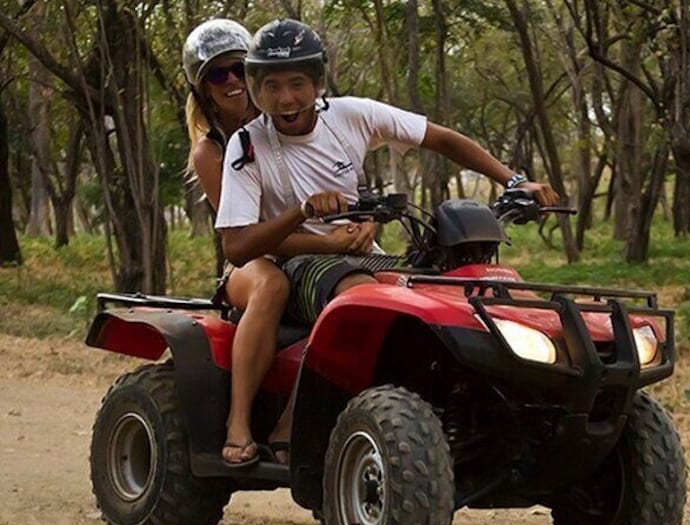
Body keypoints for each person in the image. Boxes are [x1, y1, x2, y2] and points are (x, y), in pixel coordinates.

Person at [214, 18, 558, 465]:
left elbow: (442, 138)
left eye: (297, 83)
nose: (285, 99)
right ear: (256, 89)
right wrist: (303, 214)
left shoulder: (351, 116)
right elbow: (238, 248)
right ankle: (287, 421)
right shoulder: (248, 145)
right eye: (272, 86)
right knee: (361, 298)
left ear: (318, 82)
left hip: (358, 255)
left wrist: (514, 181)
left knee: (439, 292)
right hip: (291, 261)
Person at [182, 19, 341, 468]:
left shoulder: (288, 120)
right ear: (202, 89)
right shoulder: (212, 150)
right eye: (217, 75)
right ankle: (239, 420)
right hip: (253, 260)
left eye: (237, 69)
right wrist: (327, 244)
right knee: (272, 286)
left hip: (312, 248)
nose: (230, 81)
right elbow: (243, 237)